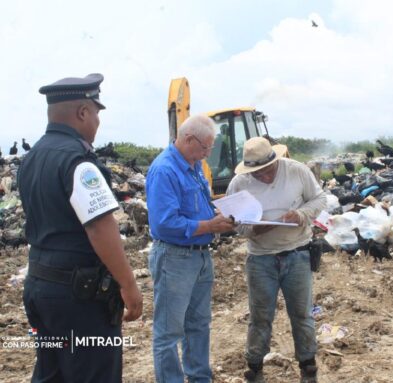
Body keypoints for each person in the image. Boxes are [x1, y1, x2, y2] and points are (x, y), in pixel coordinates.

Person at [18, 73, 143, 382]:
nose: (98, 122)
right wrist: (128, 285)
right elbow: (100, 228)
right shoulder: (80, 162)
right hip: (79, 297)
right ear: (83, 112)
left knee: (52, 373)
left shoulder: (32, 157)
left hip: (40, 288)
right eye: (97, 113)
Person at [226, 137, 327, 383]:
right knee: (260, 316)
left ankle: (308, 368)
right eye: (258, 173)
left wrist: (302, 215)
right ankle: (254, 369)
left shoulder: (297, 171)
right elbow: (233, 223)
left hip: (297, 253)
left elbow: (320, 199)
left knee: (301, 314)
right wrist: (252, 230)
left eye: (268, 170)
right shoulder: (238, 184)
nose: (265, 176)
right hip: (261, 260)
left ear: (276, 160)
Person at [146, 114, 235, 383]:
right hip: (175, 257)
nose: (207, 154)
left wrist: (220, 215)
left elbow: (198, 205)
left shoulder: (193, 164)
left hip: (199, 256)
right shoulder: (165, 170)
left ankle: (199, 378)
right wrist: (210, 225)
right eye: (205, 148)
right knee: (169, 332)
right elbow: (165, 223)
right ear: (187, 139)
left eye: (210, 148)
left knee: (198, 325)